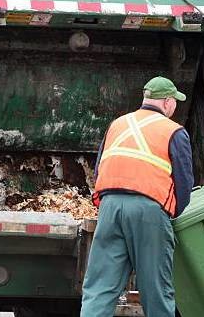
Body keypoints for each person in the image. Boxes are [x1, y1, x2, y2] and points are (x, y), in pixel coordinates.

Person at [80, 76, 194, 317]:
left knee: (100, 288)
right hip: (148, 211)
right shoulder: (174, 131)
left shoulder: (118, 124)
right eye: (175, 101)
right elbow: (184, 183)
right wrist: (171, 213)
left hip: (110, 208)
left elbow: (100, 168)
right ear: (166, 102)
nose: (175, 106)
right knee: (156, 290)